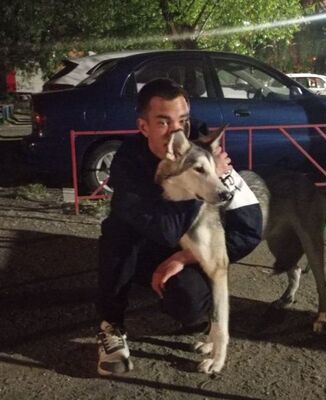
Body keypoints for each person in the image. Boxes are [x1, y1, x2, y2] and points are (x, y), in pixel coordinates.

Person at [96, 78, 263, 376]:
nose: (176, 132)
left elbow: (249, 229)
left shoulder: (207, 154)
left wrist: (185, 257)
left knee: (188, 303)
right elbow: (163, 231)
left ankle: (202, 315)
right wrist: (196, 188)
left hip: (186, 251)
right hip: (146, 246)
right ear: (143, 126)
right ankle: (111, 326)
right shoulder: (128, 164)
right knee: (116, 231)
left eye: (182, 121)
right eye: (163, 122)